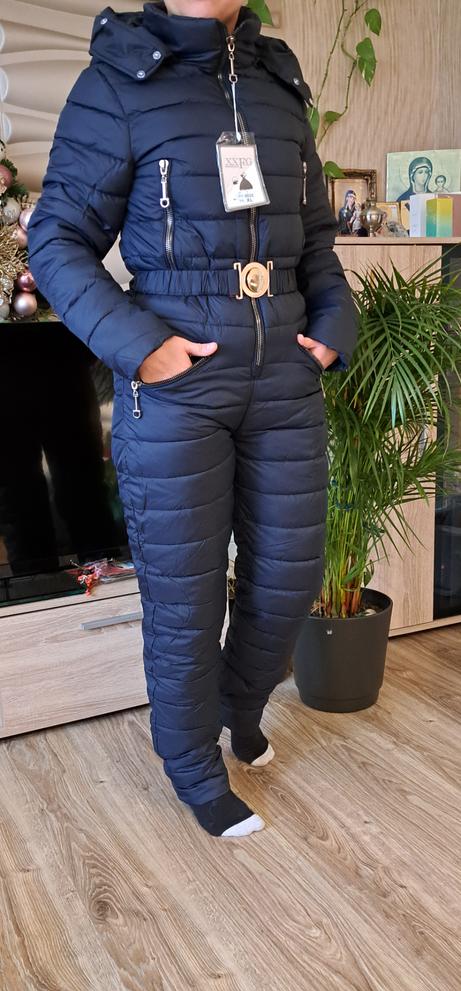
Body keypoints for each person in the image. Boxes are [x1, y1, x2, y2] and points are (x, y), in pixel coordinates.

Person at [27, 0, 358, 839]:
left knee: (288, 580)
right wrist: (141, 348)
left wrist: (331, 323)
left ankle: (239, 709)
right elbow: (57, 239)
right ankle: (191, 766)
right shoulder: (117, 81)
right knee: (186, 598)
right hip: (176, 384)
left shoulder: (278, 82)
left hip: (283, 378)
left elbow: (316, 237)